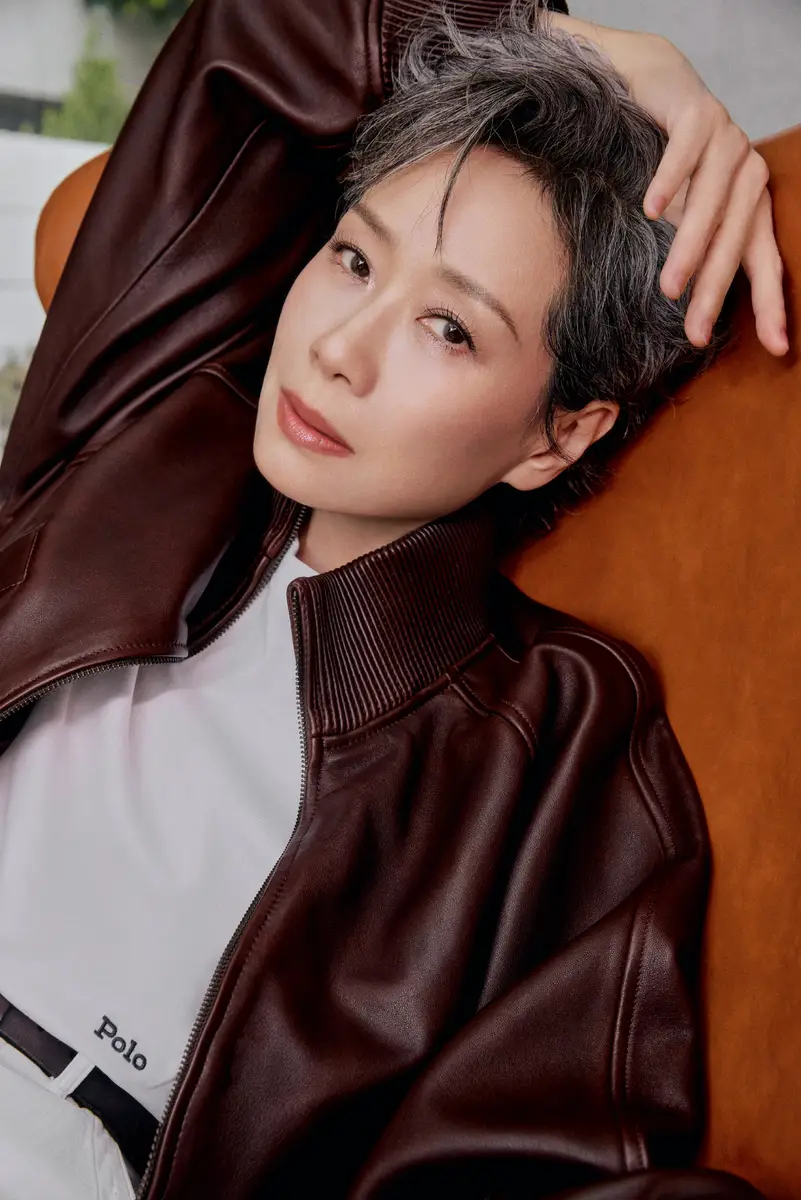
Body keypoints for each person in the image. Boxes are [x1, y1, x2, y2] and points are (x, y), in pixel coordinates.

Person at [0, 0, 785, 1197]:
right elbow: (262, 27)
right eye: (355, 259)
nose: (340, 350)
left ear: (560, 433)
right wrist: (609, 53)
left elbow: (546, 1152)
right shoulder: (143, 428)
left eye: (449, 329)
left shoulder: (557, 733)